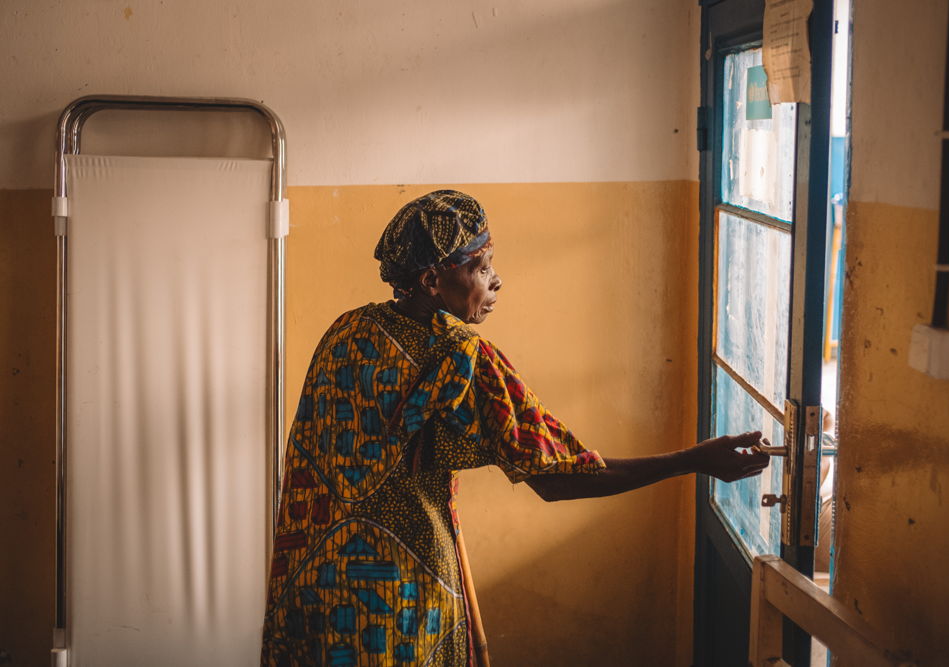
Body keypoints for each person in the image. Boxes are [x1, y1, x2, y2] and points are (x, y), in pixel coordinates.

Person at [260, 190, 769, 666]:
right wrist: (693, 460)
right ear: (432, 281)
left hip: (313, 596)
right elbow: (558, 476)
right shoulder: (463, 358)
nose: (496, 280)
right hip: (402, 608)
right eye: (481, 267)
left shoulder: (347, 331)